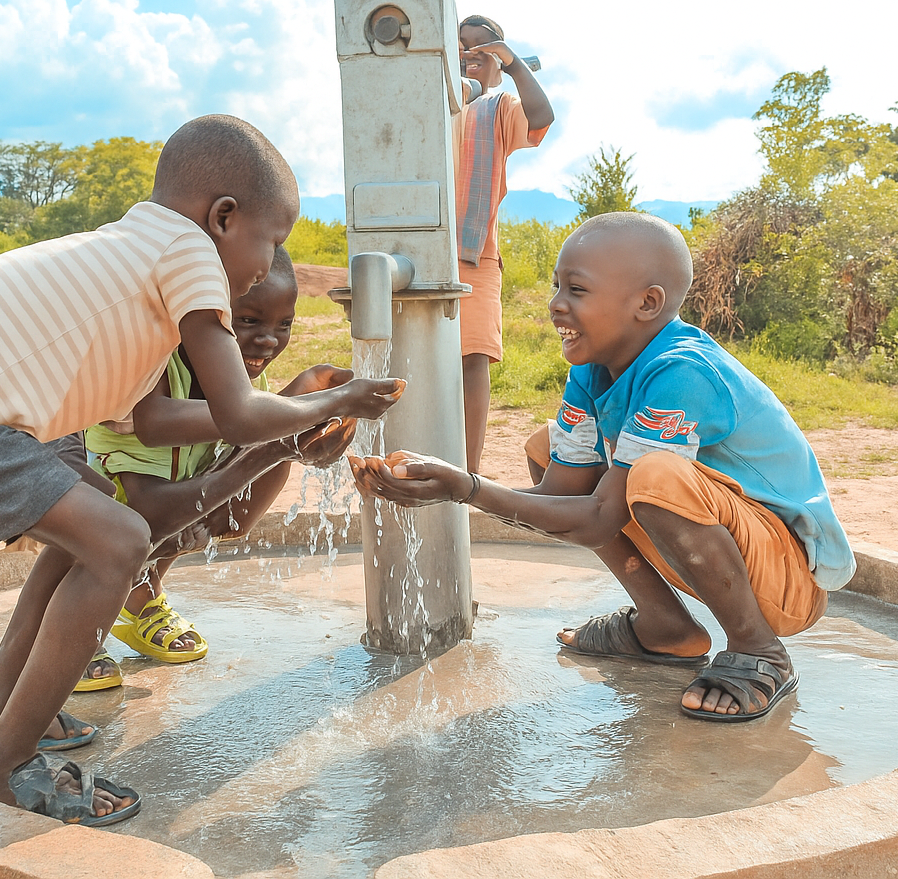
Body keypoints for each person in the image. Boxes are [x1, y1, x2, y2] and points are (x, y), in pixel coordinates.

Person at [0, 115, 403, 826]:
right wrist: (340, 398)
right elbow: (240, 413)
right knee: (116, 540)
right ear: (223, 219)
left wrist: (289, 427)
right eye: (271, 241)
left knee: (94, 521)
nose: (267, 263)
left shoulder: (142, 254)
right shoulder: (187, 252)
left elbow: (156, 420)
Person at [349, 212, 854, 722]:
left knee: (654, 477)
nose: (555, 304)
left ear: (647, 303)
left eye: (577, 289)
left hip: (787, 578)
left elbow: (597, 518)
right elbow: (555, 496)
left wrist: (467, 487)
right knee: (548, 449)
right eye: (556, 286)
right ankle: (665, 628)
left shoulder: (682, 372)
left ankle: (758, 650)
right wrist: (451, 484)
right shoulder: (592, 369)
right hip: (730, 546)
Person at [64, 247, 357, 687]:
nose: (268, 340)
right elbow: (149, 504)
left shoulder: (244, 378)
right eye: (248, 321)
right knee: (119, 538)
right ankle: (74, 626)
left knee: (211, 503)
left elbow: (237, 514)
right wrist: (285, 420)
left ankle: (141, 599)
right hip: (98, 504)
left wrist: (301, 406)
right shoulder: (154, 369)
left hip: (164, 501)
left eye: (284, 324)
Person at [454, 13, 554, 474]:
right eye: (461, 45)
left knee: (473, 359)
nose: (472, 53)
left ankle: (468, 471)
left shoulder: (498, 110)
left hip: (473, 253)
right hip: (415, 248)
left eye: (484, 47)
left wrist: (512, 65)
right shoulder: (429, 101)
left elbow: (542, 117)